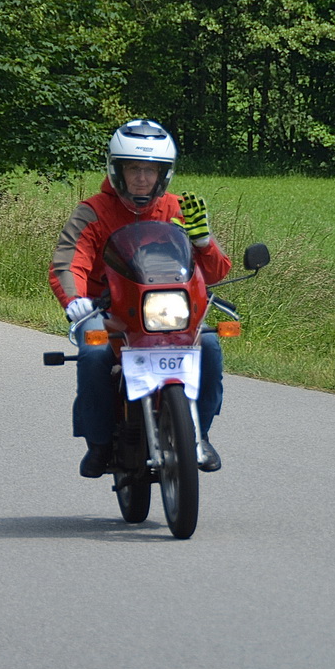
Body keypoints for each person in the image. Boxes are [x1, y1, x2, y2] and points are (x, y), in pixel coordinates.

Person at [51, 120, 231, 477]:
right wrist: (74, 301)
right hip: (111, 311)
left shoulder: (180, 209)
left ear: (164, 174)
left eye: (151, 170)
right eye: (134, 168)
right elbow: (68, 260)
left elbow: (214, 273)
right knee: (93, 352)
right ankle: (99, 444)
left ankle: (201, 434)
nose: (142, 178)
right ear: (116, 170)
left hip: (168, 311)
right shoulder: (93, 210)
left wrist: (204, 242)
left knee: (209, 348)